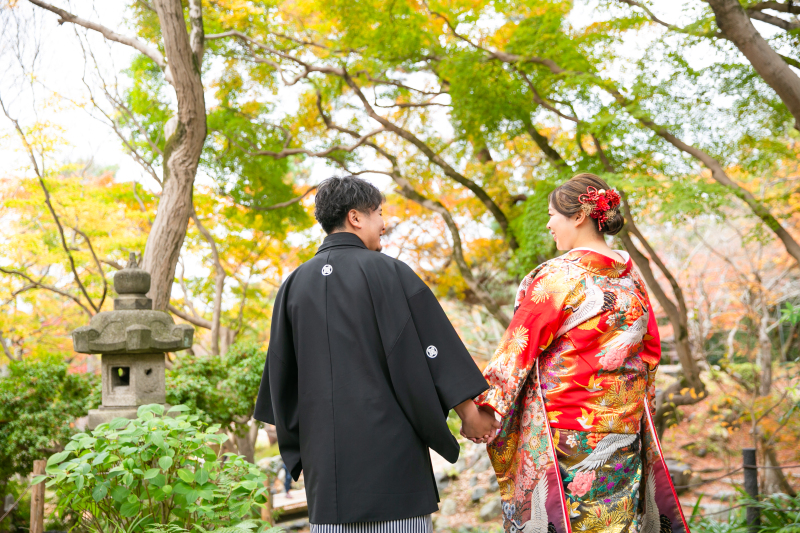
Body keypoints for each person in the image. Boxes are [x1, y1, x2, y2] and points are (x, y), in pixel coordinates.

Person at [253, 176, 499, 532]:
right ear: (356, 218)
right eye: (379, 213)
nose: (384, 223)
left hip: (328, 476)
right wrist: (469, 412)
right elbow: (433, 347)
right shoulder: (389, 272)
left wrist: (302, 448)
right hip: (393, 463)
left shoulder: (292, 285)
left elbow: (280, 376)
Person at [469, 174, 690, 533]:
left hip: (568, 436)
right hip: (623, 431)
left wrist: (482, 409)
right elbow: (649, 353)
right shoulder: (631, 279)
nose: (548, 223)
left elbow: (518, 349)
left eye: (553, 214)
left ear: (578, 216)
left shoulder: (559, 277)